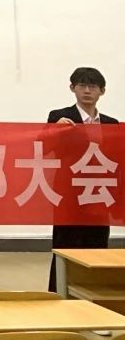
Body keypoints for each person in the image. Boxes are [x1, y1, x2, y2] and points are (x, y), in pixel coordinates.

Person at [47, 66, 117, 291]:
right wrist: (53, 131)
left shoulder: (112, 124)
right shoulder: (60, 117)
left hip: (99, 192)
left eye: (93, 86)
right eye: (82, 86)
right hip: (68, 194)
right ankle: (59, 293)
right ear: (72, 88)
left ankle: (94, 294)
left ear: (102, 91)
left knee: (97, 246)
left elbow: (117, 160)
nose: (87, 91)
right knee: (65, 246)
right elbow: (43, 148)